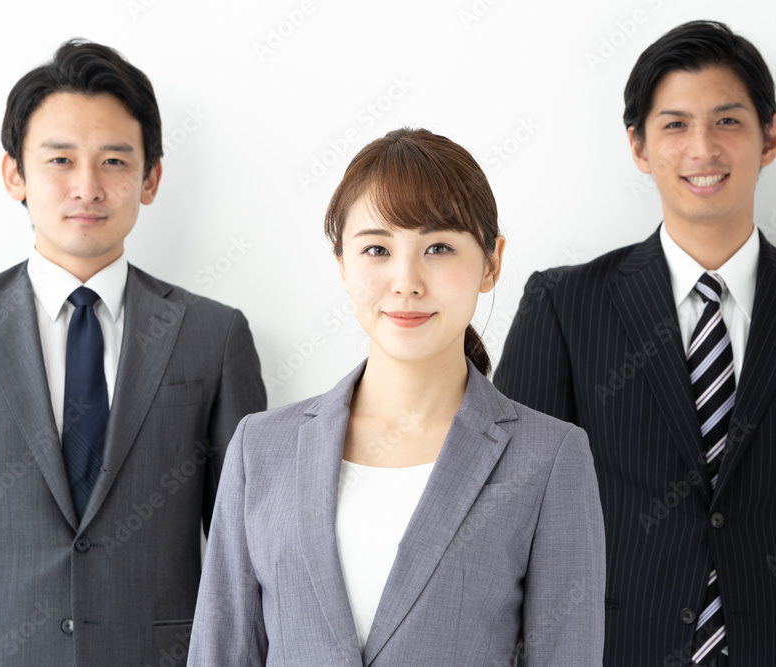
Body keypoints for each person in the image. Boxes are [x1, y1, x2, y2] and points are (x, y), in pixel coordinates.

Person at [495, 19, 776, 667]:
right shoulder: (564, 306)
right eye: (674, 124)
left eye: (726, 121)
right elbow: (512, 522)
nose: (702, 148)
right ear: (637, 145)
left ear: (770, 136)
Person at [187, 128, 605, 665]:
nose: (405, 281)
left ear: (492, 263)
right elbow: (221, 652)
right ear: (342, 263)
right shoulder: (260, 447)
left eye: (438, 248)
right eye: (377, 249)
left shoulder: (550, 458)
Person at [0, 40, 266, 665]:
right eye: (59, 159)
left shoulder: (213, 336)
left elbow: (246, 554)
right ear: (13, 174)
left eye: (113, 160)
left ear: (150, 178)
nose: (87, 186)